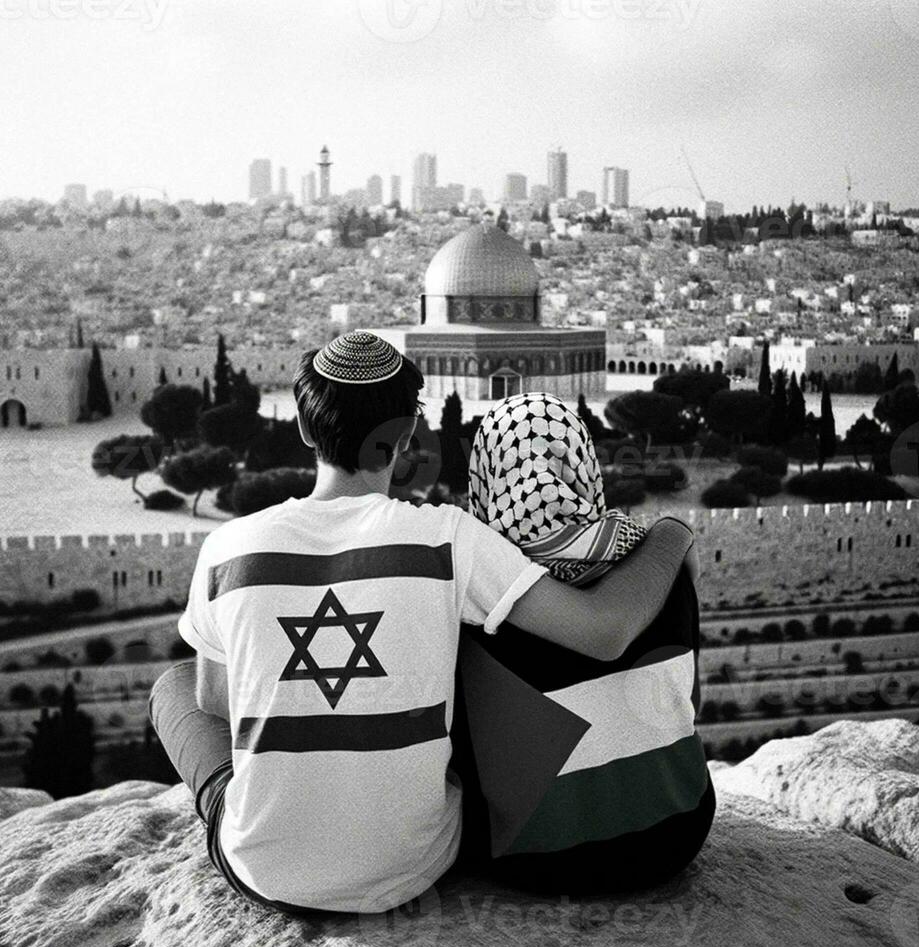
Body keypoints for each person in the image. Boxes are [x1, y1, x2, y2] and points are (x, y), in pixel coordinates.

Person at [149, 331, 698, 915]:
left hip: (267, 874)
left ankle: (254, 811)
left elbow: (215, 699)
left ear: (307, 430)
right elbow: (604, 631)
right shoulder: (449, 538)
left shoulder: (227, 547)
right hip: (416, 867)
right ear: (407, 435)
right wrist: (670, 533)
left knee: (177, 685)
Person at [452, 392, 713, 895]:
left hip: (535, 859)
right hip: (678, 833)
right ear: (583, 466)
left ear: (485, 477)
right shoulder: (663, 571)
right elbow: (690, 703)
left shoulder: (481, 598)